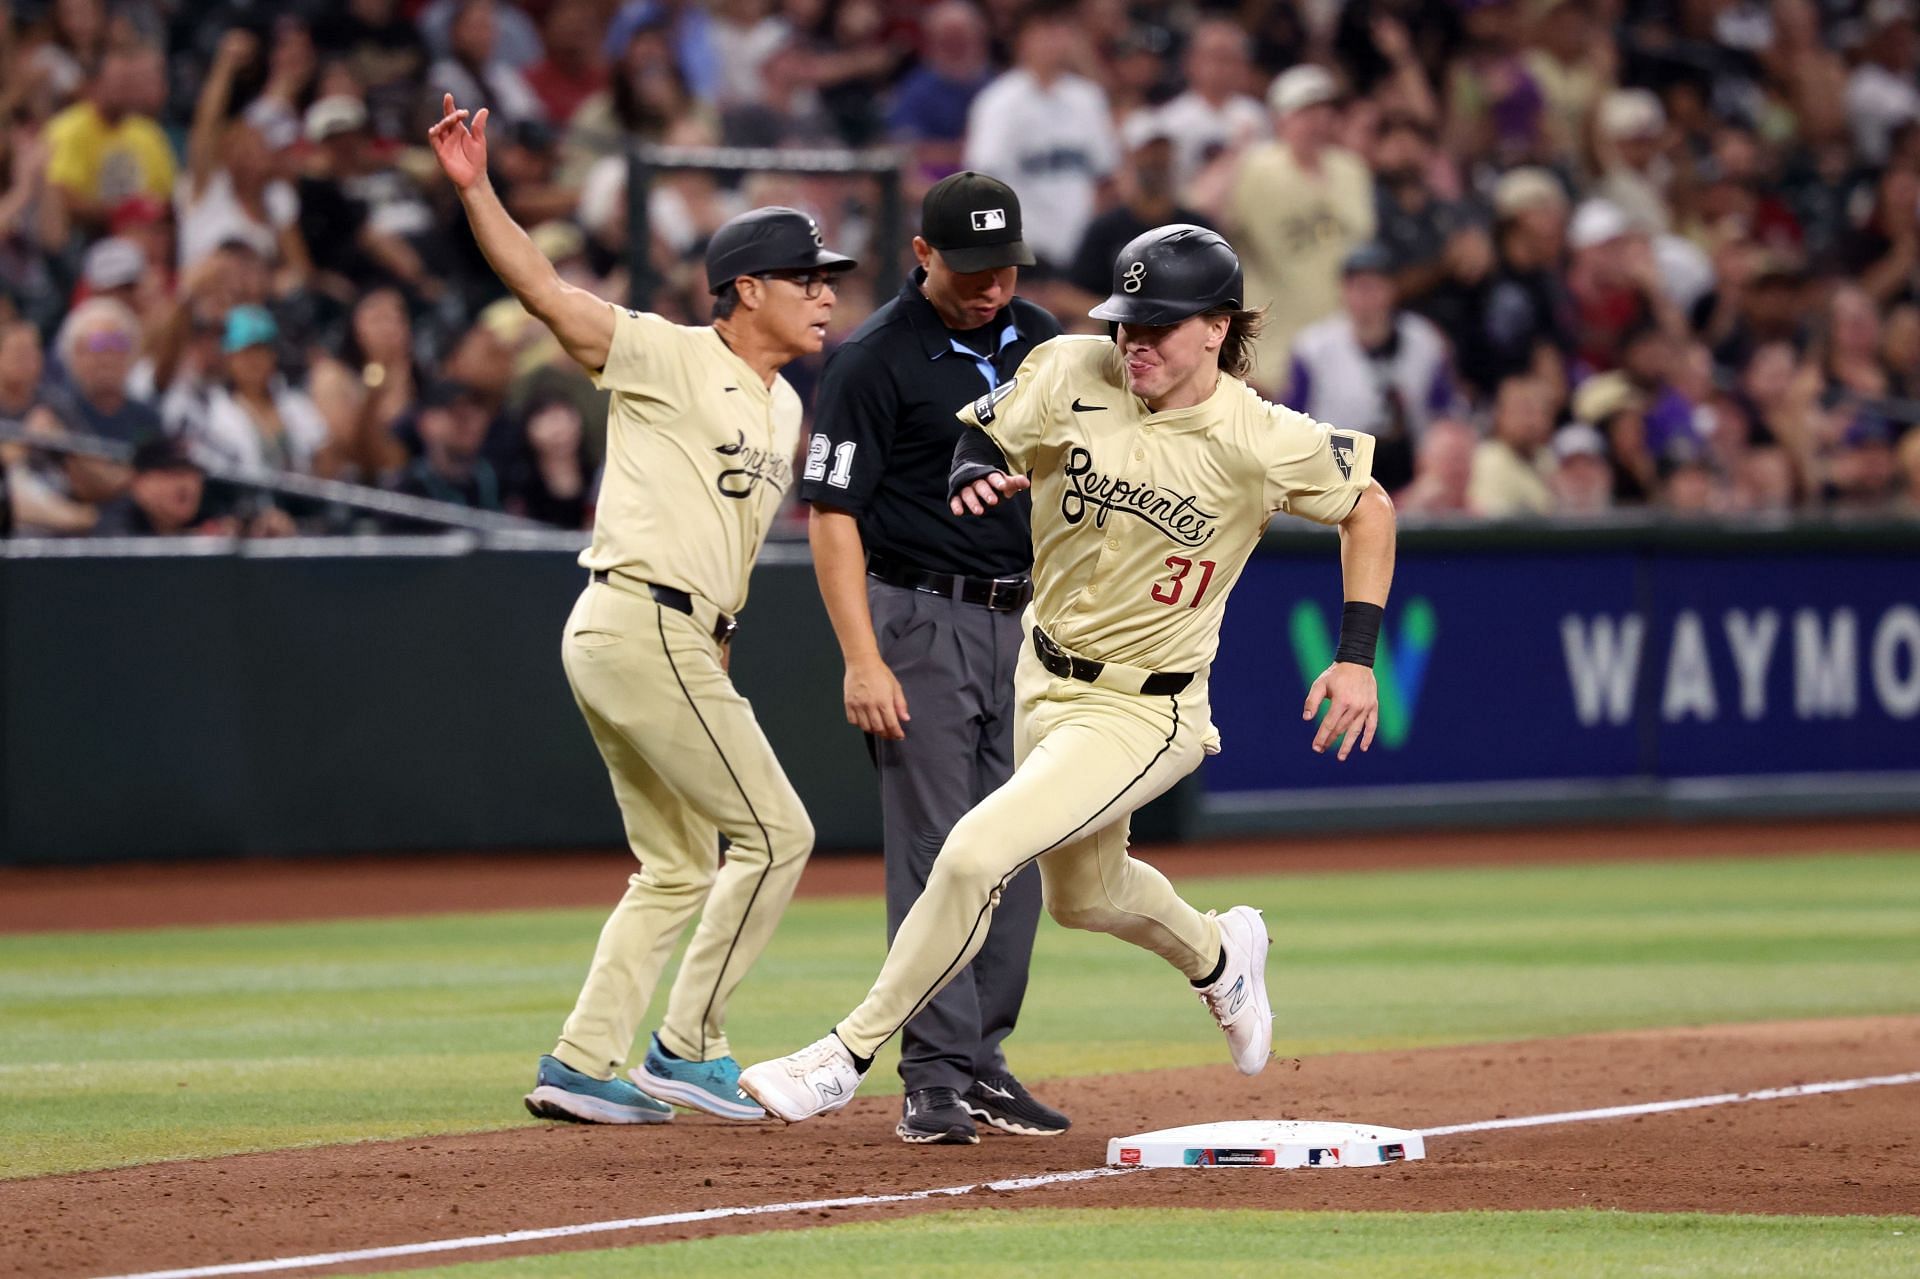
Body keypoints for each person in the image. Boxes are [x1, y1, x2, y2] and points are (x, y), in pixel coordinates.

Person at [740, 225, 1397, 1127]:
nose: (1135, 343)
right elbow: (985, 435)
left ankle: (844, 1053)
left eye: (1159, 327)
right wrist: (980, 469)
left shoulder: (1260, 435)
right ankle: (1219, 955)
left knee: (976, 851)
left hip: (1146, 710)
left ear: (1216, 327)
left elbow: (1369, 506)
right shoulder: (1072, 368)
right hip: (1042, 677)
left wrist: (1356, 656)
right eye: (1128, 322)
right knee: (1087, 897)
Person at [428, 92, 855, 1126]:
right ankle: (687, 1046)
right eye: (805, 279)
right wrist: (479, 190)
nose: (825, 296)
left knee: (674, 865)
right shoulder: (667, 352)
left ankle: (582, 1060)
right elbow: (542, 288)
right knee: (778, 835)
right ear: (744, 288)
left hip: (671, 636)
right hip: (637, 615)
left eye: (829, 279)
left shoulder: (790, 403)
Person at [801, 172, 1066, 1146]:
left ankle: (985, 1059)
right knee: (937, 853)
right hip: (919, 616)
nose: (991, 284)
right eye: (970, 267)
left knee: (1023, 848)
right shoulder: (872, 358)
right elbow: (831, 518)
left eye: (1004, 266)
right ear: (922, 256)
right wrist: (860, 658)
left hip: (1030, 623)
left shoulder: (1047, 341)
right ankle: (935, 1076)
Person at [1223, 64, 1375, 393]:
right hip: (1275, 348)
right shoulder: (1257, 168)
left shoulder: (1351, 169)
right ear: (1280, 118)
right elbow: (1204, 216)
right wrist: (1234, 155)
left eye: (1325, 111)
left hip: (1345, 342)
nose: (1318, 121)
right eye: (1306, 111)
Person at [1286, 242, 1457, 492]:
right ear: (1343, 291)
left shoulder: (1424, 342)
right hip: (1335, 477)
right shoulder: (1313, 348)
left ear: (1392, 290)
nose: (1366, 296)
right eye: (1358, 286)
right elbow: (1290, 420)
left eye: (1375, 286)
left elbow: (1446, 415)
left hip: (1413, 476)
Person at [963, 0, 1119, 271]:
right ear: (1022, 39)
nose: (1054, 40)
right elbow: (983, 184)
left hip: (1080, 251)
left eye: (1062, 30)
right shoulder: (998, 102)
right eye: (1045, 30)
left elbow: (1105, 179)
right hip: (1024, 252)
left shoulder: (1088, 98)